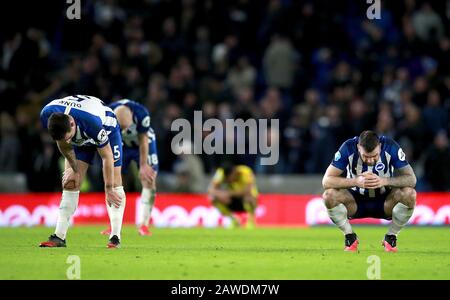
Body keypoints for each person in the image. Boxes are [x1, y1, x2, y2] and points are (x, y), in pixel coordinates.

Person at [39, 95, 125, 248]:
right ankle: (59, 237)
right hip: (80, 137)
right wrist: (74, 169)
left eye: (68, 137)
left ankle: (115, 237)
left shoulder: (92, 123)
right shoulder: (48, 114)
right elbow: (63, 143)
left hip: (107, 130)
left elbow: (106, 156)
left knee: (115, 184)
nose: (66, 140)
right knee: (70, 182)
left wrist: (109, 188)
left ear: (72, 123)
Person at [322, 130, 417, 252]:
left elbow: (411, 179)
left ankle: (391, 236)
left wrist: (385, 181)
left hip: (385, 201)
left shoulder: (390, 146)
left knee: (410, 194)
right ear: (358, 148)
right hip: (355, 201)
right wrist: (355, 182)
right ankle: (350, 236)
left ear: (380, 147)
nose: (371, 160)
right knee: (329, 196)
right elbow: (326, 181)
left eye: (375, 156)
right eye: (366, 156)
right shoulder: (348, 147)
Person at [100, 99, 158, 236]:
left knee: (149, 179)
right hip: (121, 145)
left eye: (126, 127)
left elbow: (143, 139)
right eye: (122, 128)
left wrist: (143, 165)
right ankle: (113, 224)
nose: (125, 130)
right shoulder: (106, 114)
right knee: (114, 181)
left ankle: (144, 224)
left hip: (142, 144)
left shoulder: (141, 114)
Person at [208, 162, 258, 229]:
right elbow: (210, 190)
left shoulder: (245, 172)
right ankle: (234, 221)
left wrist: (228, 193)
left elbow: (247, 191)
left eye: (229, 177)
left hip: (244, 198)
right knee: (213, 199)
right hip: (231, 198)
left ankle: (251, 222)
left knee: (249, 197)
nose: (228, 180)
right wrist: (220, 194)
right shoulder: (220, 173)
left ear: (234, 172)